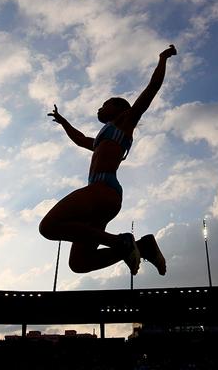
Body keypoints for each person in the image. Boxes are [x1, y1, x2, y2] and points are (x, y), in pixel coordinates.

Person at [39, 45, 177, 276]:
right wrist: (64, 122)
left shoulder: (125, 122)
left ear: (119, 108)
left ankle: (121, 242)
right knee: (80, 264)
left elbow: (152, 88)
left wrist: (163, 59)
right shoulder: (102, 138)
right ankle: (142, 247)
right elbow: (81, 139)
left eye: (105, 104)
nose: (99, 108)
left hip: (103, 189)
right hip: (103, 199)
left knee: (49, 226)